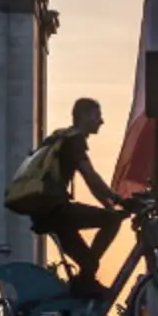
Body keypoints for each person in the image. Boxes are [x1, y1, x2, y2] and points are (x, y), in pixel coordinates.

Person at [31, 97, 128, 299]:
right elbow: (90, 176)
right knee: (112, 221)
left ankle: (80, 293)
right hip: (56, 210)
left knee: (89, 264)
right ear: (83, 115)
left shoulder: (64, 138)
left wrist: (108, 204)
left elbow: (92, 185)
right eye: (97, 115)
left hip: (46, 211)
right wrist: (118, 200)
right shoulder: (74, 140)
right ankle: (84, 283)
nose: (101, 121)